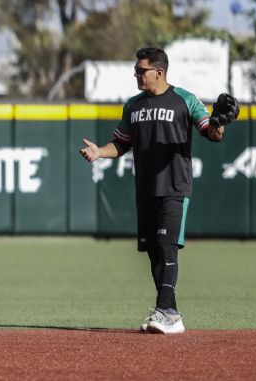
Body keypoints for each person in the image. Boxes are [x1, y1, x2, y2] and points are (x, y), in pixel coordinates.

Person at [79, 47, 234, 334]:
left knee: (167, 245)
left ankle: (163, 310)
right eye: (136, 71)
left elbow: (211, 133)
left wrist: (219, 122)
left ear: (159, 72)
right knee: (153, 250)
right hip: (145, 187)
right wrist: (100, 151)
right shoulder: (133, 105)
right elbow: (121, 144)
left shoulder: (184, 99)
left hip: (174, 185)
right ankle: (171, 313)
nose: (137, 75)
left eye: (141, 71)